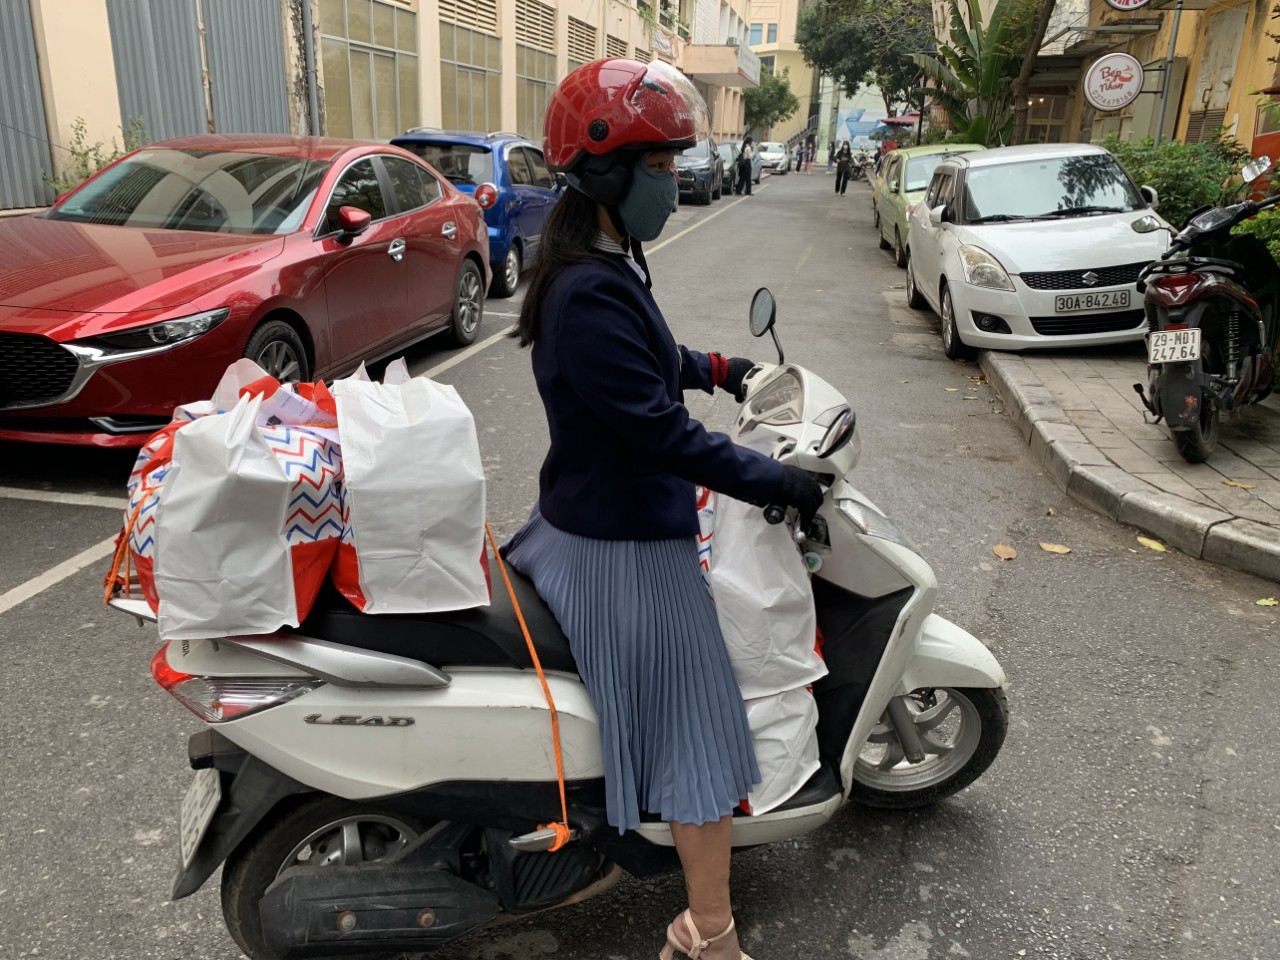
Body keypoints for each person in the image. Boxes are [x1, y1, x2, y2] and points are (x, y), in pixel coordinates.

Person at [504, 59, 823, 960]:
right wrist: (777, 482)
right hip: (624, 543)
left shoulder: (598, 264)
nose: (672, 181)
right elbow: (658, 433)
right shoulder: (588, 289)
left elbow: (647, 361)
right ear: (605, 173)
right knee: (702, 737)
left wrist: (723, 368)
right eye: (657, 166)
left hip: (591, 515)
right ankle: (708, 932)